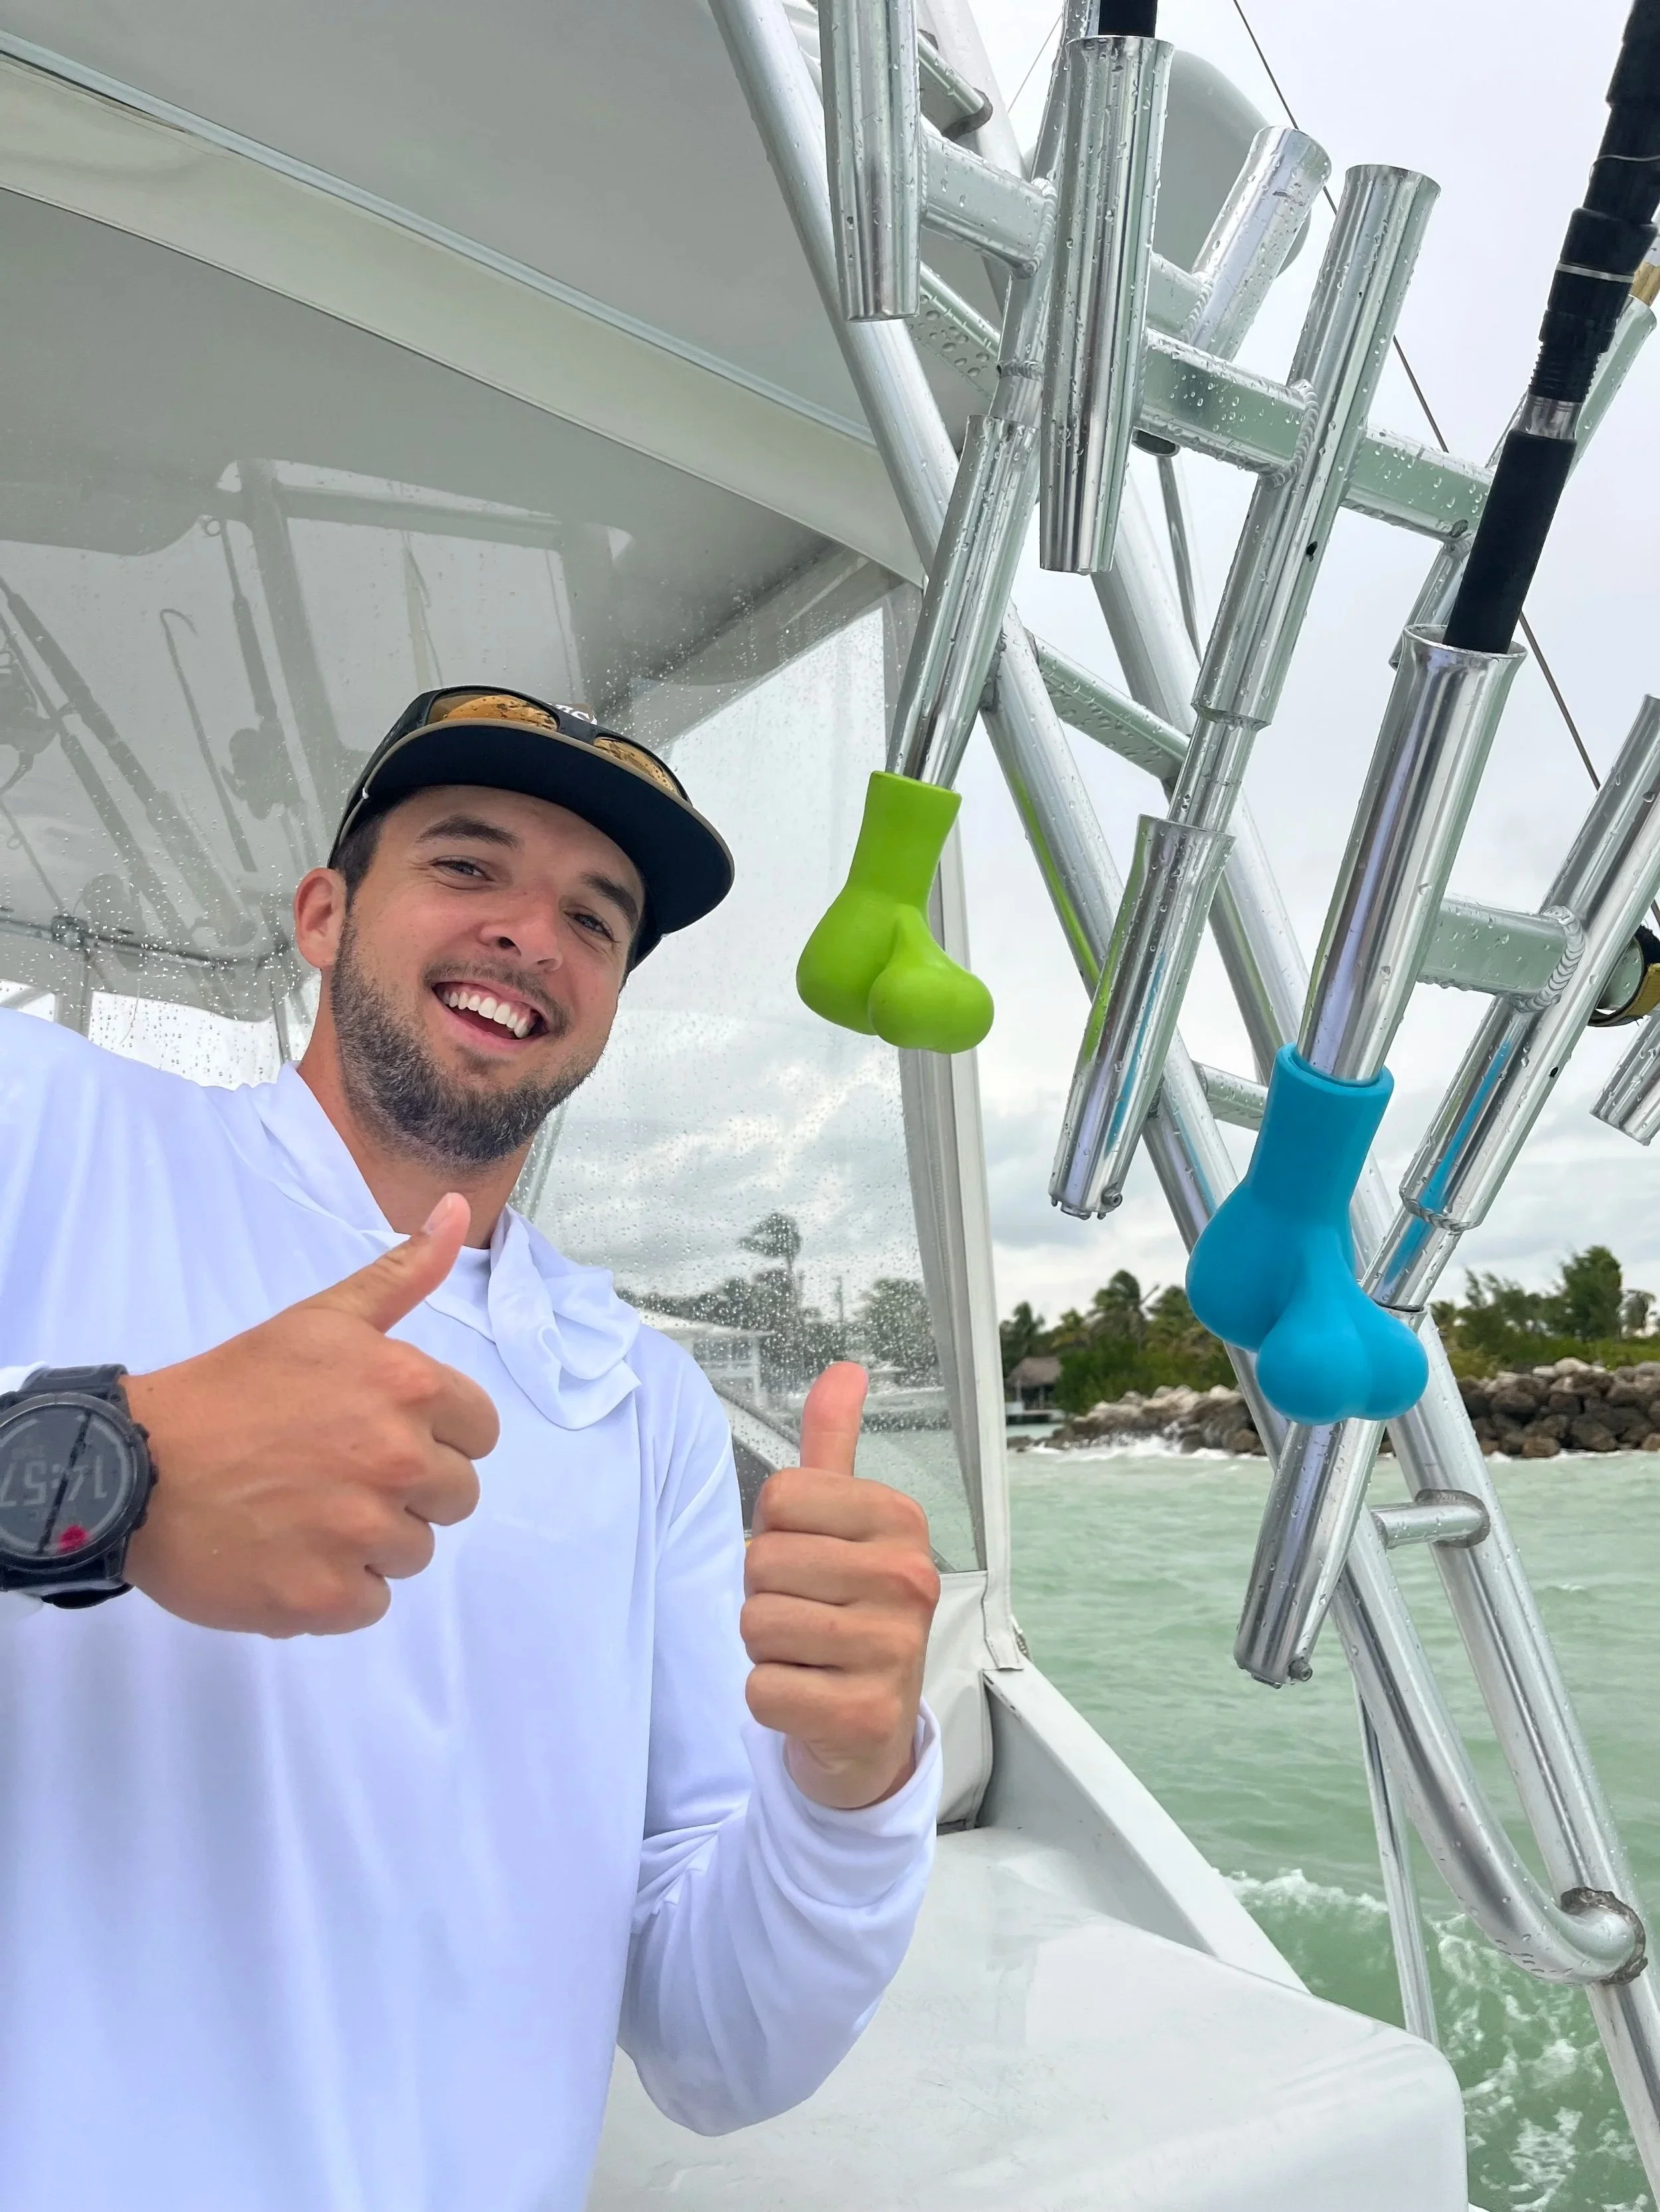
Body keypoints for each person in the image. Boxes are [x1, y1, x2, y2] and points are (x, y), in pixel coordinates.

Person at [0, 686, 942, 2212]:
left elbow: (717, 2046)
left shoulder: (641, 1407)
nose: (531, 932)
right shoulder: (45, 1122)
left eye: (596, 915)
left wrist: (850, 1786)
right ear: (322, 912)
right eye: (465, 863)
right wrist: (102, 1461)